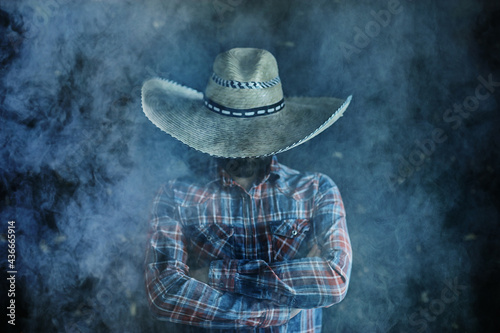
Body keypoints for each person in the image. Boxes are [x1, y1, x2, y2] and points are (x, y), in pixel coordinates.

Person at [142, 48, 352, 332]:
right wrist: (281, 309)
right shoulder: (175, 196)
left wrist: (216, 275)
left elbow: (333, 279)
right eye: (229, 139)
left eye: (254, 138)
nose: (242, 151)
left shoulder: (316, 190)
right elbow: (165, 292)